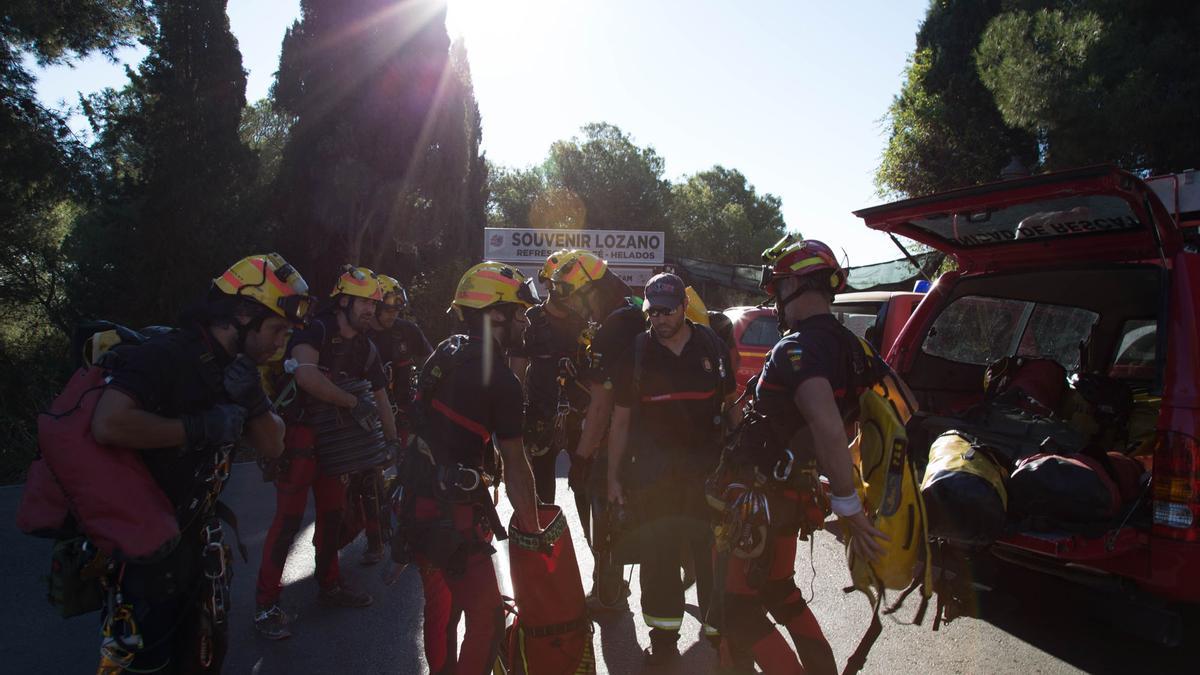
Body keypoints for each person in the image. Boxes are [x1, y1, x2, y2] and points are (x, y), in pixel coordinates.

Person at [90, 253, 311, 673]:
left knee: (203, 662)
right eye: (278, 328)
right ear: (242, 315)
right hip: (144, 559)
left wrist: (255, 401)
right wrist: (198, 427)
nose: (283, 341)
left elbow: (273, 446)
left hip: (196, 549)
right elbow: (108, 423)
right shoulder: (166, 356)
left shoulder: (238, 370)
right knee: (145, 665)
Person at [717, 237, 887, 675]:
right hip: (794, 495)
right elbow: (896, 413)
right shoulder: (855, 347)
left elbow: (827, 424)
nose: (774, 300)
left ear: (794, 283)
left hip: (761, 500)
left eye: (776, 288)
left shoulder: (796, 348)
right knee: (779, 591)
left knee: (738, 610)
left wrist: (849, 504)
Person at [409, 261, 542, 674]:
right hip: (457, 514)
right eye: (519, 311)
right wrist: (534, 532)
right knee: (487, 618)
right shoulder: (501, 380)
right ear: (495, 313)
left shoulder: (446, 351)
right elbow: (517, 467)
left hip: (417, 502)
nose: (524, 320)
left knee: (442, 609)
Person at [254, 265, 400, 640]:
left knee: (333, 516)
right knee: (287, 522)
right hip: (299, 437)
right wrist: (352, 402)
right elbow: (305, 376)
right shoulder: (315, 329)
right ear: (344, 300)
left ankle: (330, 585)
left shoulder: (365, 347)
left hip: (335, 443)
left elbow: (381, 398)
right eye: (365, 302)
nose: (371, 309)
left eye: (375, 303)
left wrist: (393, 442)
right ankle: (266, 604)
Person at [605, 273, 738, 665]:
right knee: (658, 560)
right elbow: (622, 420)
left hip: (708, 475)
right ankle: (663, 643)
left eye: (667, 311)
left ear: (684, 307)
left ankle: (720, 639)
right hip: (653, 480)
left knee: (713, 556)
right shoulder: (638, 351)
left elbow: (730, 404)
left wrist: (743, 462)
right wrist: (613, 477)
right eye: (653, 312)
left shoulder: (710, 345)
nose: (659, 319)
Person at [549, 250, 645, 611]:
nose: (574, 307)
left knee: (599, 509)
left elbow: (603, 406)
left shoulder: (613, 328)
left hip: (616, 438)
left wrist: (582, 457)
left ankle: (606, 591)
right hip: (653, 436)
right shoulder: (636, 308)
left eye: (575, 296)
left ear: (592, 289)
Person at [338, 274, 433, 565]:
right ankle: (375, 537)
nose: (393, 315)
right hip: (369, 417)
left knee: (412, 472)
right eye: (388, 309)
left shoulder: (407, 331)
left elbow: (432, 362)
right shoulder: (360, 336)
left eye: (397, 310)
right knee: (369, 479)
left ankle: (410, 528)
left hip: (406, 413)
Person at [512, 250, 591, 508]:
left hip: (577, 415)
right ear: (549, 284)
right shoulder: (531, 321)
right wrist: (516, 419)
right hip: (540, 414)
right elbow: (517, 371)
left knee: (584, 483)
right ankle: (543, 540)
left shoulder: (581, 322)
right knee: (543, 486)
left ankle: (595, 544)